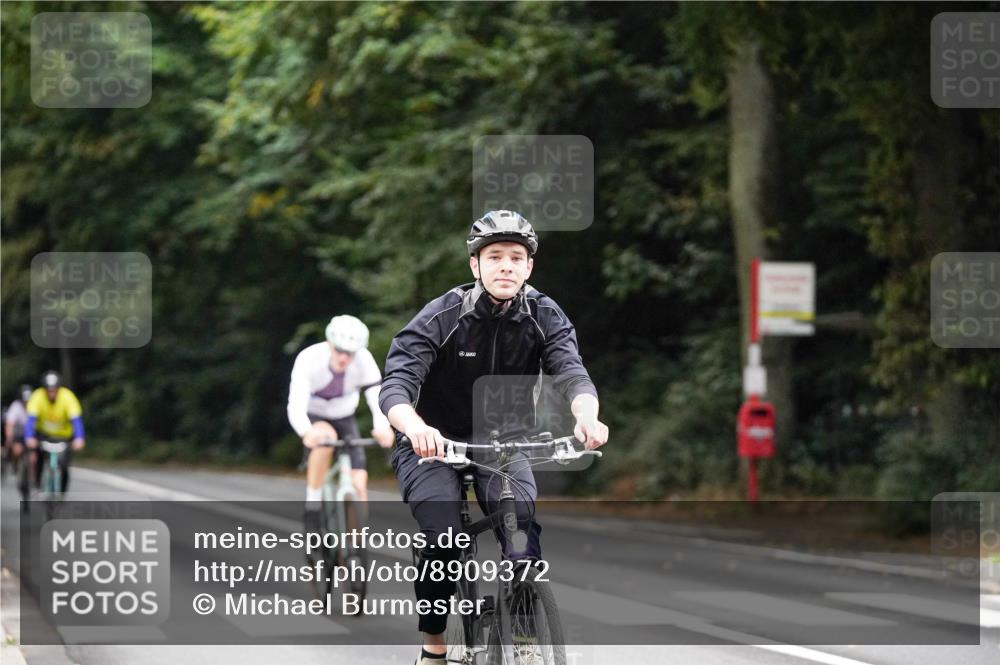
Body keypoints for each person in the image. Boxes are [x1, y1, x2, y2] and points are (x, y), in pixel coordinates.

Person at [379, 210, 609, 665]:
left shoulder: (544, 314)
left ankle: (523, 641)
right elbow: (397, 385)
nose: (506, 266)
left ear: (529, 266)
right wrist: (415, 427)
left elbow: (571, 371)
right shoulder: (443, 315)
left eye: (516, 257)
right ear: (475, 265)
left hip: (503, 442)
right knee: (443, 540)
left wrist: (588, 417)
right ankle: (433, 647)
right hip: (433, 442)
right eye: (495, 256)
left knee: (520, 524)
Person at [287, 315, 394, 532]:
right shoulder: (309, 358)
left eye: (350, 353)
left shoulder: (364, 360)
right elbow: (296, 403)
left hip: (344, 416)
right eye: (339, 351)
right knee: (325, 439)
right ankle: (313, 504)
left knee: (359, 484)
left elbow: (376, 397)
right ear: (329, 343)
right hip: (315, 415)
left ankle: (356, 544)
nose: (344, 358)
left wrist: (383, 426)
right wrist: (306, 431)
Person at [24, 371, 85, 495]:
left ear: (58, 389)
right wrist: (29, 437)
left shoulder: (67, 397)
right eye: (48, 390)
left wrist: (79, 438)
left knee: (64, 465)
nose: (51, 393)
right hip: (43, 435)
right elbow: (30, 420)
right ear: (44, 389)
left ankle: (62, 492)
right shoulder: (37, 396)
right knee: (38, 458)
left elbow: (76, 420)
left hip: (63, 436)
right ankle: (37, 484)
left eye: (54, 390)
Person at [4, 384, 32, 479]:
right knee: (17, 451)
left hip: (31, 434)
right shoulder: (16, 406)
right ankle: (15, 464)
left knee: (33, 458)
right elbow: (9, 424)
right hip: (18, 434)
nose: (26, 403)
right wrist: (9, 437)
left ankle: (34, 478)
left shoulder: (34, 406)